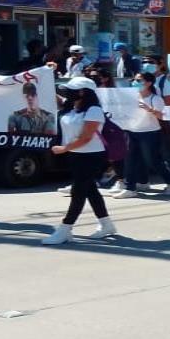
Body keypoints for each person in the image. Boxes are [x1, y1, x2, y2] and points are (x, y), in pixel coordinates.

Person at [42, 77, 117, 244]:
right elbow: (55, 98)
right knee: (90, 190)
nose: (67, 93)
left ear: (83, 92)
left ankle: (65, 228)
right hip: (75, 155)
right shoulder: (72, 107)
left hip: (91, 155)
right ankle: (106, 224)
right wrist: (44, 77)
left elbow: (86, 138)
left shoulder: (94, 111)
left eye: (71, 90)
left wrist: (64, 148)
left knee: (78, 192)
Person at [112, 72, 170, 199]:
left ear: (148, 83)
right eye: (134, 80)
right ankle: (130, 188)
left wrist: (149, 109)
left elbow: (162, 116)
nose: (135, 83)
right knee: (130, 161)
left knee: (154, 161)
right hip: (132, 131)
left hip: (150, 133)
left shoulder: (155, 98)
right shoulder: (130, 98)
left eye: (139, 80)